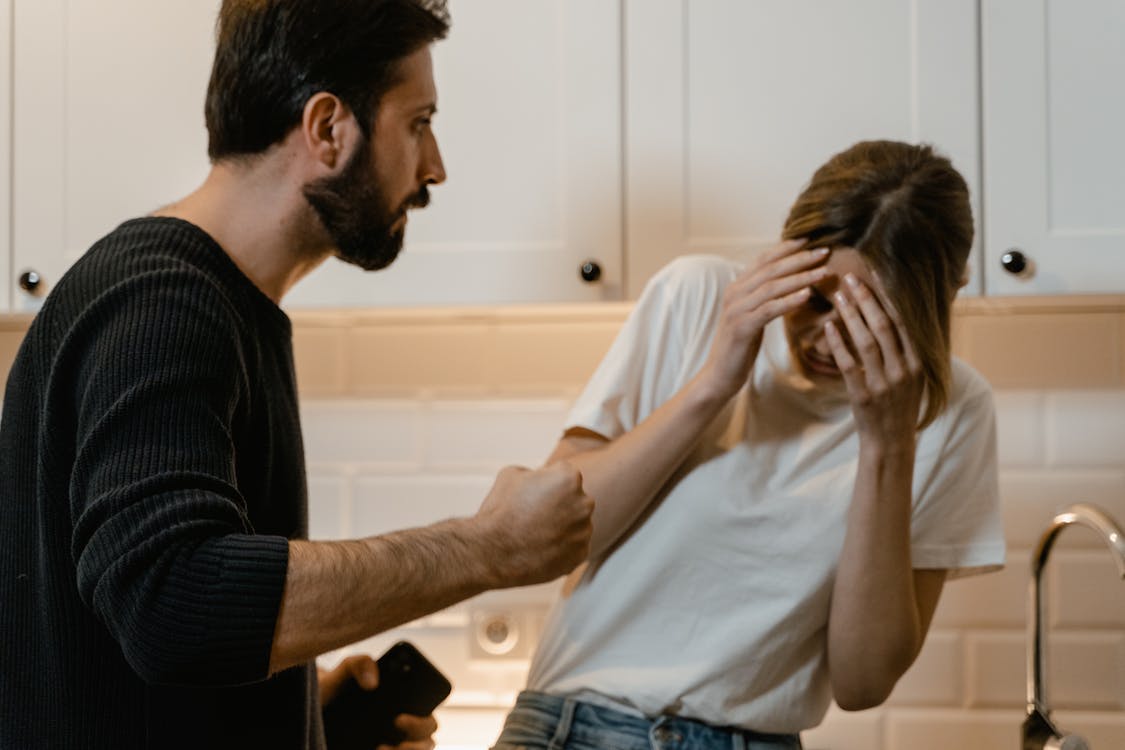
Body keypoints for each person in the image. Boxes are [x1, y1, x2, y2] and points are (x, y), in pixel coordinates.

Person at [0, 1, 595, 748]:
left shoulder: (209, 303)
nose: (434, 166)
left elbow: (140, 649)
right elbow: (169, 603)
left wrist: (311, 713)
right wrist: (488, 548)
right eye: (418, 122)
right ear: (327, 129)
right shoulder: (162, 301)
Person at [491, 140, 1006, 750]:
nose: (824, 336)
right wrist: (714, 382)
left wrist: (887, 446)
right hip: (572, 726)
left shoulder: (955, 410)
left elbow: (863, 680)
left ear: (944, 298)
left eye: (871, 319)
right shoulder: (698, 296)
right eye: (813, 298)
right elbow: (547, 540)